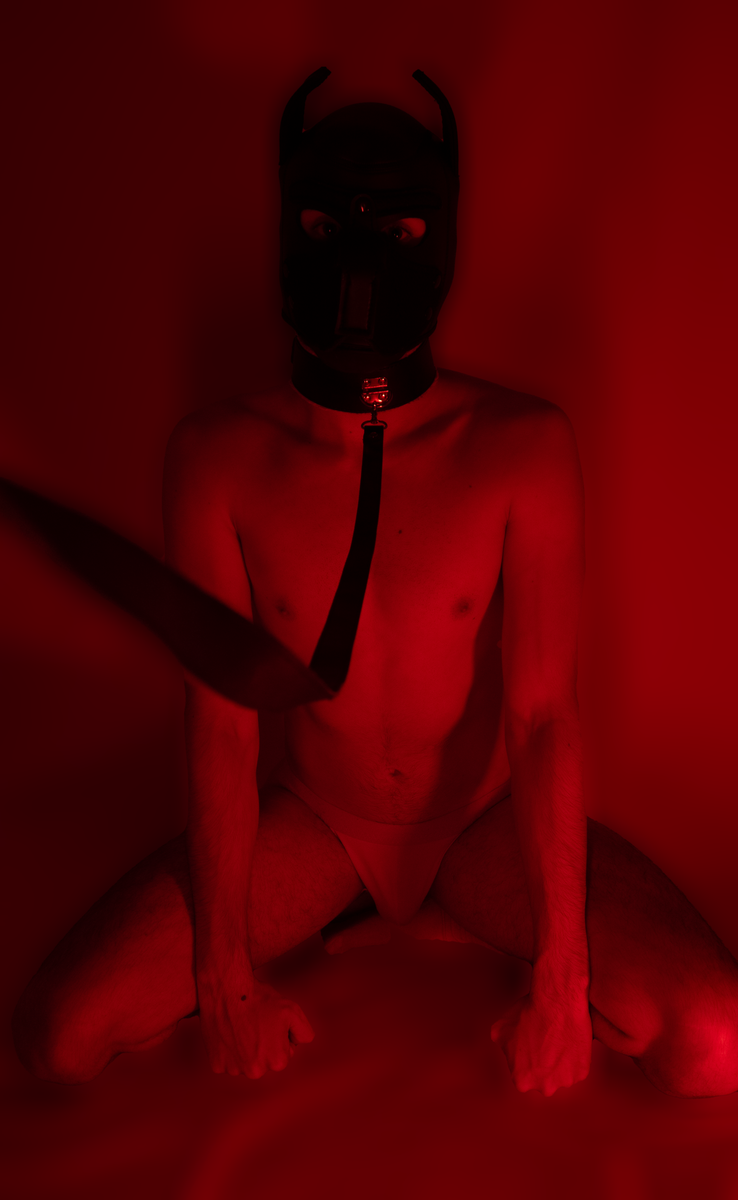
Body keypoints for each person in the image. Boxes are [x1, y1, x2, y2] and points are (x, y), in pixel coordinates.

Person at [12, 68, 738, 1099]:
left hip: (480, 825)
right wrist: (225, 973)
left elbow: (543, 717)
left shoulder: (521, 445)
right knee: (61, 1037)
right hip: (319, 825)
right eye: (327, 225)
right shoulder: (217, 455)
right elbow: (221, 724)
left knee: (715, 1044)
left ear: (437, 238)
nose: (359, 262)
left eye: (394, 232)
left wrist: (560, 976)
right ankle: (364, 912)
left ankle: (445, 916)